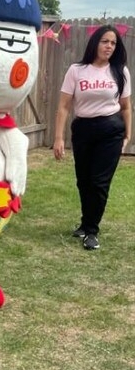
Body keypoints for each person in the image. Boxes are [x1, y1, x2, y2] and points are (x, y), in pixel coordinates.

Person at [53, 24, 132, 250]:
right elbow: (64, 106)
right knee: (84, 180)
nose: (109, 46)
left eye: (113, 43)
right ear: (95, 43)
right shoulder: (77, 70)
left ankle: (92, 231)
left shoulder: (120, 71)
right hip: (83, 130)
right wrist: (58, 138)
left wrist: (128, 134)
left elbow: (126, 106)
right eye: (105, 41)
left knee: (99, 182)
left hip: (110, 130)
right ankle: (85, 223)